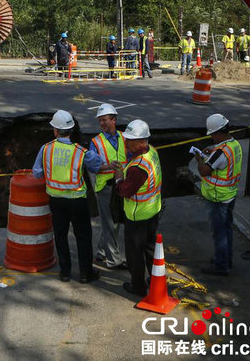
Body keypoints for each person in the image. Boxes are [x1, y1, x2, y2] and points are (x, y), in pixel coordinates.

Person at [32, 110, 105, 283]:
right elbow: (96, 164)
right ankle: (86, 273)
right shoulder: (80, 151)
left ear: (56, 131)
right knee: (83, 237)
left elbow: (37, 173)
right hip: (77, 201)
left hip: (56, 201)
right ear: (71, 131)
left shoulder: (46, 149)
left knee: (60, 235)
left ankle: (65, 272)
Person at [113, 119, 162, 297]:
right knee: (150, 249)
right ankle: (156, 279)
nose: (125, 143)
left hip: (137, 216)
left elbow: (125, 191)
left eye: (130, 140)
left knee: (135, 254)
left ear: (142, 142)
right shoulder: (152, 152)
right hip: (153, 211)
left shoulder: (138, 167)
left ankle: (138, 286)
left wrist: (119, 177)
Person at [194, 114, 242, 276]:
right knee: (227, 229)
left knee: (219, 232)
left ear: (219, 133)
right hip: (230, 194)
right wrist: (213, 150)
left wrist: (199, 158)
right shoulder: (234, 145)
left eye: (213, 135)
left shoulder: (220, 153)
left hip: (217, 198)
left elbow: (204, 171)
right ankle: (226, 259)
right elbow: (222, 153)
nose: (212, 138)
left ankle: (221, 266)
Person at [90, 104, 127, 270]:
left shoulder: (124, 137)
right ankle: (114, 260)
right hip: (105, 187)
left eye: (104, 120)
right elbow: (92, 167)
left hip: (121, 185)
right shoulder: (96, 142)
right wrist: (107, 167)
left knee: (112, 222)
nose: (102, 124)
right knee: (110, 223)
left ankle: (101, 252)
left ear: (114, 120)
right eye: (100, 121)